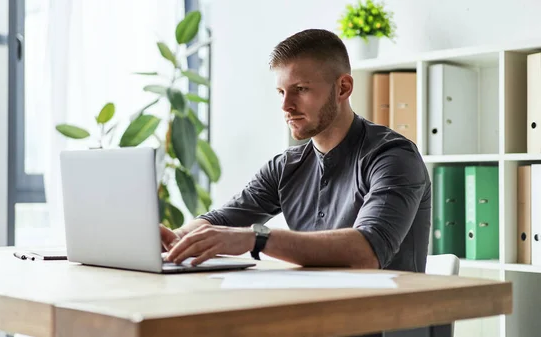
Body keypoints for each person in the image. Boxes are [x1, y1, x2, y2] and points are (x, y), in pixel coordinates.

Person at [161, 28, 431, 273]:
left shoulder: (393, 157)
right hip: (317, 314)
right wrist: (177, 237)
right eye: (281, 92)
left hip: (386, 321)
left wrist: (258, 238)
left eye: (300, 89)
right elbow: (222, 219)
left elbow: (367, 251)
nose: (286, 106)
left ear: (343, 88)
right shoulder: (284, 167)